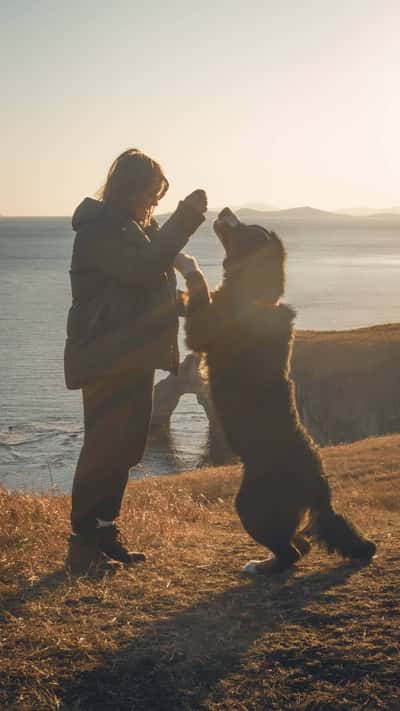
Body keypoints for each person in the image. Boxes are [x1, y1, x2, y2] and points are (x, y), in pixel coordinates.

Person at [64, 148, 207, 574]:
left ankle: (106, 532)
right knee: (103, 449)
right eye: (151, 193)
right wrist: (183, 222)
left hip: (133, 354)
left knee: (125, 448)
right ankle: (82, 546)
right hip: (107, 356)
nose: (155, 203)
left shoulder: (134, 228)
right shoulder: (99, 229)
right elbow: (141, 272)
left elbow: (148, 292)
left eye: (160, 196)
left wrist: (191, 302)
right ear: (129, 189)